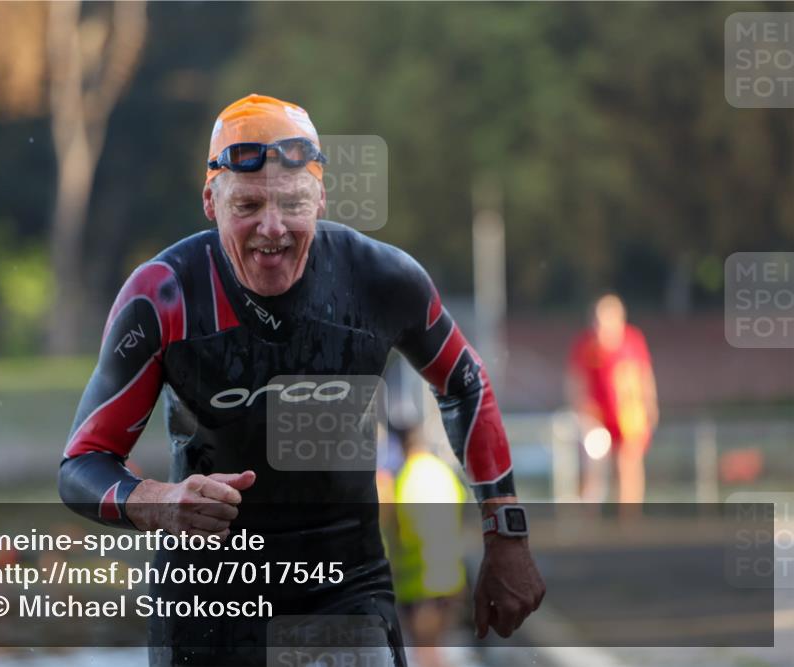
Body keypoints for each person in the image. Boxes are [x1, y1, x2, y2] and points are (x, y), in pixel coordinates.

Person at [58, 93, 545, 666]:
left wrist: (505, 533)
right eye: (248, 205)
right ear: (210, 203)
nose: (273, 229)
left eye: (292, 204)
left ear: (321, 199)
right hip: (208, 598)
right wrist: (157, 500)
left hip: (344, 585)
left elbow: (467, 384)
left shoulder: (379, 279)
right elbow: (82, 463)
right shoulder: (164, 295)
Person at [380, 424, 468, 667]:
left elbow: (399, 526)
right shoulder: (442, 471)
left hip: (417, 578)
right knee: (440, 645)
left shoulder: (405, 477)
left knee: (425, 650)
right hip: (449, 572)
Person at [566, 293, 659, 505]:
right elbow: (575, 381)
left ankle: (629, 521)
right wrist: (581, 412)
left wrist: (650, 406)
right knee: (593, 467)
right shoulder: (585, 345)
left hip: (628, 415)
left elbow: (644, 375)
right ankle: (588, 517)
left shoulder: (633, 341)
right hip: (596, 416)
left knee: (628, 465)